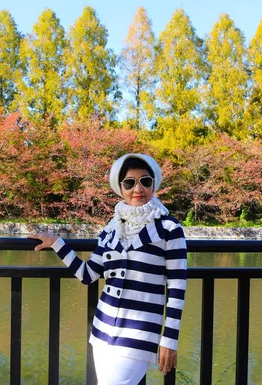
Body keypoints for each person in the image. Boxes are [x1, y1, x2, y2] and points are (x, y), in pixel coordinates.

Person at [29, 153, 188, 385]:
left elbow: (177, 287)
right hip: (102, 332)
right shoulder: (111, 229)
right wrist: (57, 244)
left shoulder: (169, 228)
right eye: (129, 182)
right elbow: (88, 274)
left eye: (145, 181)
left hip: (139, 335)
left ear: (154, 184)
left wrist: (170, 340)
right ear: (120, 187)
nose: (138, 188)